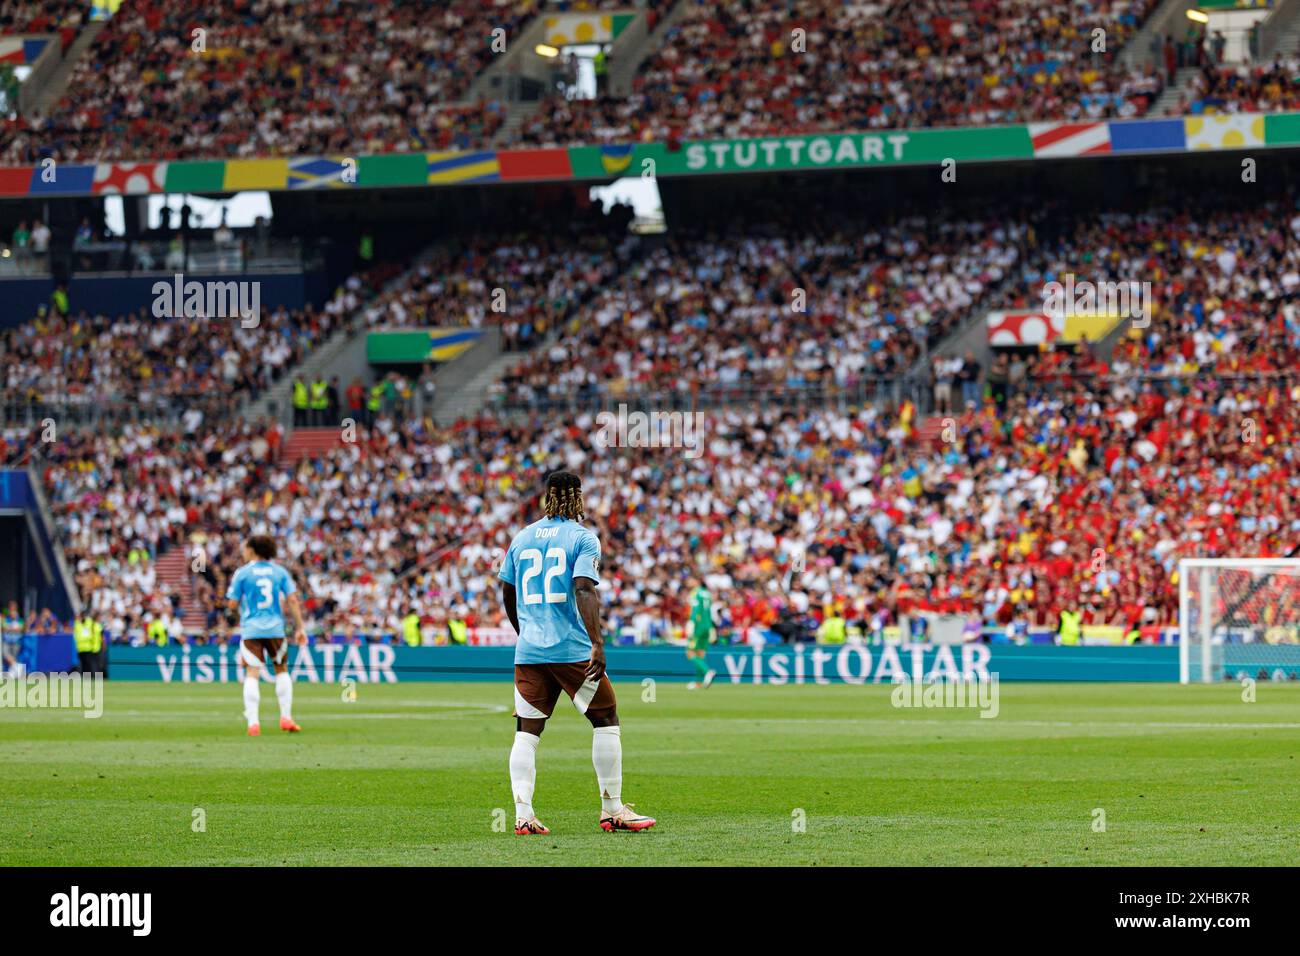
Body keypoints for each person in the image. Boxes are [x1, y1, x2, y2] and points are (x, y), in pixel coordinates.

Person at [497, 471, 656, 835]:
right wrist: (597, 643)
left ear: (547, 497)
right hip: (570, 648)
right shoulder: (583, 538)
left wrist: (524, 631)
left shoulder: (522, 538)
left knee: (527, 730)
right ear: (577, 497)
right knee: (606, 717)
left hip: (530, 650)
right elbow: (583, 588)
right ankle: (612, 809)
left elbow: (508, 591)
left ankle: (523, 815)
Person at [225, 535, 307, 736]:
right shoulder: (280, 572)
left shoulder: (242, 573)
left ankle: (253, 723)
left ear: (252, 550)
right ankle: (286, 717)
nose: (243, 552)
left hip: (251, 629)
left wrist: (239, 613)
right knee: (281, 670)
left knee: (252, 672)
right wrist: (300, 628)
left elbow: (232, 605)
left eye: (245, 548)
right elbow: (293, 600)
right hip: (275, 629)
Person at [684, 577, 716, 690]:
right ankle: (697, 682)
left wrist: (691, 623)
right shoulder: (707, 593)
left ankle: (708, 671)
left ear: (697, 581)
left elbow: (696, 610)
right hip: (707, 626)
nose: (687, 582)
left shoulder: (695, 593)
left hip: (698, 626)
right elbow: (709, 611)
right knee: (700, 653)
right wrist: (712, 627)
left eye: (690, 580)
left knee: (690, 653)